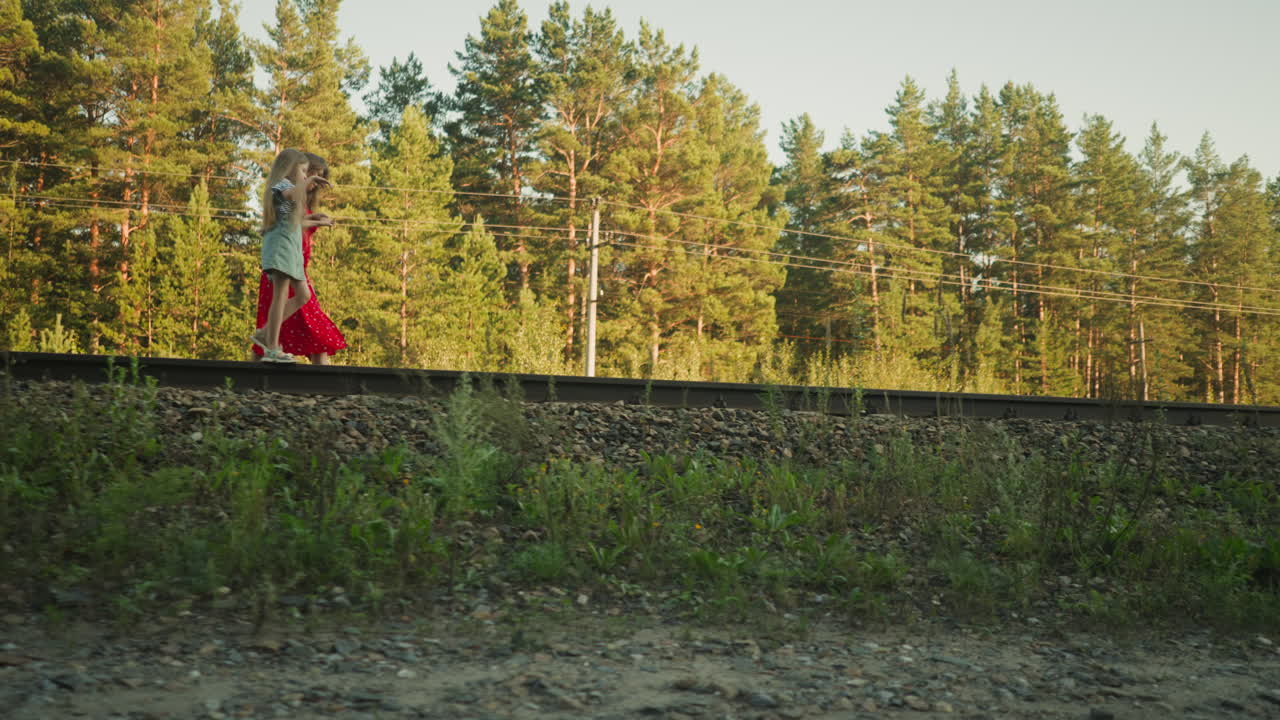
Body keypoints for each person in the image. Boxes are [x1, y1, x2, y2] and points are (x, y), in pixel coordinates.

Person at [250, 152, 347, 364]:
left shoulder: (292, 190)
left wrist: (313, 219)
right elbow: (289, 196)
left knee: (303, 294)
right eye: (303, 171)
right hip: (281, 249)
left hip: (292, 251)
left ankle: (265, 334)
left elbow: (292, 221)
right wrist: (309, 181)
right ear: (290, 169)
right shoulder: (281, 186)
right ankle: (272, 347)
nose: (306, 176)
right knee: (280, 295)